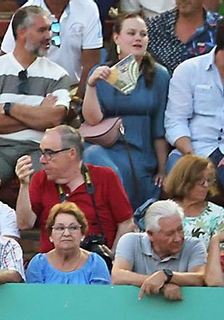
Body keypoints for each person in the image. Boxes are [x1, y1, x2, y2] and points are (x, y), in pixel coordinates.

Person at [0, 6, 71, 187]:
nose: (49, 35)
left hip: (39, 149)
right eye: (42, 30)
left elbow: (54, 119)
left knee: (45, 183)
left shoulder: (58, 75)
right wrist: (37, 115)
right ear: (21, 33)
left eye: (50, 29)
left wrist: (10, 108)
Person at [81, 13, 170, 206]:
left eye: (143, 34)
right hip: (107, 148)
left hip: (142, 152)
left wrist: (162, 169)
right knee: (92, 155)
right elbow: (93, 120)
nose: (138, 38)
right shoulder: (102, 72)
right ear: (116, 38)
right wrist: (91, 85)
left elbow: (159, 128)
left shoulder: (160, 75)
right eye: (131, 33)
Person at [15, 125, 135, 246]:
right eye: (42, 152)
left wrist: (114, 259)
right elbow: (24, 224)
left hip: (97, 262)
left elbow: (126, 224)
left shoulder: (105, 177)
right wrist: (24, 185)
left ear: (72, 153)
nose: (41, 160)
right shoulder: (40, 179)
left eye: (49, 153)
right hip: (52, 262)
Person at [0, 0, 104, 90]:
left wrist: (78, 100)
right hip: (34, 91)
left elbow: (91, 63)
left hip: (73, 89)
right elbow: (6, 59)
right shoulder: (26, 11)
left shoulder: (88, 7)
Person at [111, 200, 208, 297]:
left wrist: (167, 276)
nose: (178, 238)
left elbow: (200, 278)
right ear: (150, 234)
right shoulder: (130, 241)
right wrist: (160, 284)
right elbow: (118, 275)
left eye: (180, 229)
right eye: (169, 234)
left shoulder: (194, 245)